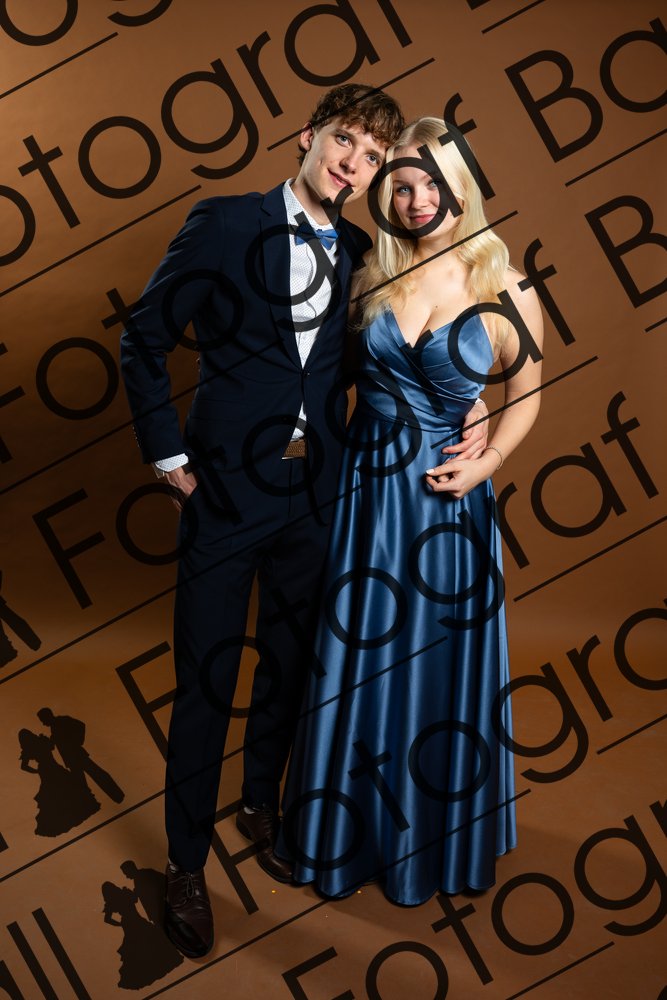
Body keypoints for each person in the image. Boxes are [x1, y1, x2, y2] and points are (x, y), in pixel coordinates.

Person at [120, 87, 487, 957]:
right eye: (344, 142)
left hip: (318, 496)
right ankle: (184, 863)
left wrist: (467, 404)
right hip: (222, 495)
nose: (353, 164)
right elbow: (143, 338)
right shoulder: (223, 223)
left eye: (371, 157)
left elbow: (387, 357)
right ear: (308, 137)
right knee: (208, 681)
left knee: (290, 665)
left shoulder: (362, 251)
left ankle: (261, 804)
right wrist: (168, 458)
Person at [277, 116, 543, 905]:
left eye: (433, 183)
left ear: (462, 188)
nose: (417, 198)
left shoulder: (506, 285)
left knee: (433, 663)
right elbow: (314, 368)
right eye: (402, 186)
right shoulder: (368, 275)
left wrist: (487, 459)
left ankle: (431, 840)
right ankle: (340, 835)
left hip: (446, 503)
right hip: (366, 493)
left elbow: (527, 394)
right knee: (353, 654)